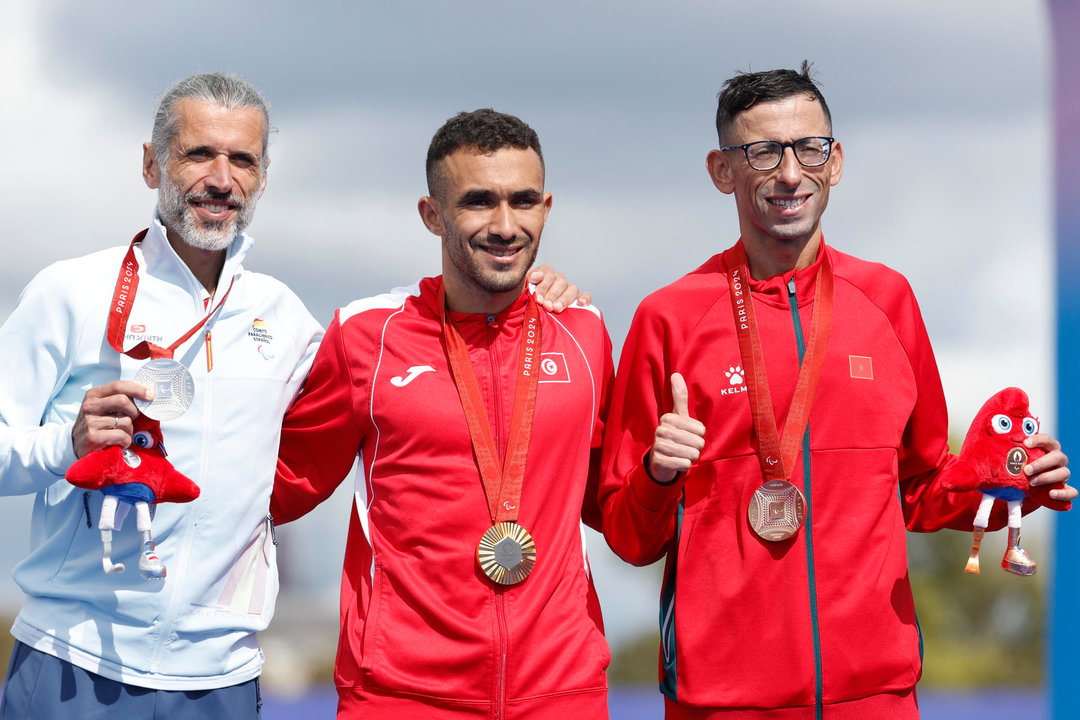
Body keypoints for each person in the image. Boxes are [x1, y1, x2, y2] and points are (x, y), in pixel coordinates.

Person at [0, 75, 581, 719]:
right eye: (199, 154)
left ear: (264, 176)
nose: (222, 178)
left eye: (242, 160)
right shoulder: (69, 293)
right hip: (76, 657)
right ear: (150, 163)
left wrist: (529, 286)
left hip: (221, 674)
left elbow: (398, 356)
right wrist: (66, 443)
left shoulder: (286, 320)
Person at [598, 62, 1074, 720]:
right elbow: (627, 537)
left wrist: (1009, 488)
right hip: (722, 702)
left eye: (808, 148)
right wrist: (657, 473)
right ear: (721, 171)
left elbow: (924, 489)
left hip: (875, 698)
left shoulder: (888, 301)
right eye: (762, 152)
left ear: (837, 160)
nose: (790, 173)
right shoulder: (669, 319)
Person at [271, 109, 614, 719]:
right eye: (479, 202)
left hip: (560, 690)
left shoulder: (583, 332)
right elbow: (283, 486)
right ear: (432, 214)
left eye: (524, 201)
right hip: (401, 693)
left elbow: (612, 506)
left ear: (546, 207)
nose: (505, 225)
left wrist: (665, 470)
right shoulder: (366, 335)